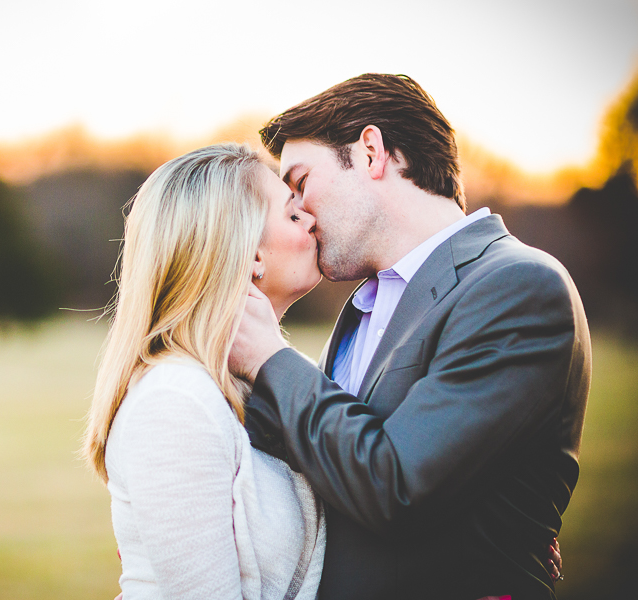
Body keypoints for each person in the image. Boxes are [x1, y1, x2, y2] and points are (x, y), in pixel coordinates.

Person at [229, 73, 590, 600]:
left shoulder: (519, 286)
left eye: (301, 182)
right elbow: (317, 460)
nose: (298, 211)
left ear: (372, 152)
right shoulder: (364, 310)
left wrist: (270, 357)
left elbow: (396, 487)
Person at [82, 143, 327, 599]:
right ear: (249, 253)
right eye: (292, 216)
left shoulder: (259, 380)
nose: (311, 218)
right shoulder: (175, 400)